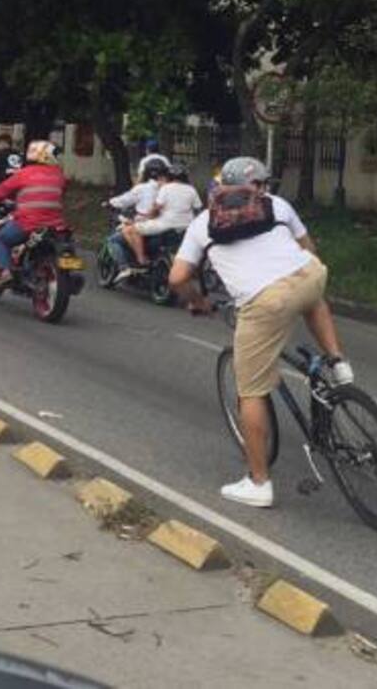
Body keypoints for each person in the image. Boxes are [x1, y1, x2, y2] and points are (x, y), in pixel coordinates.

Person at [167, 157, 354, 509]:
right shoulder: (278, 205)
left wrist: (198, 301)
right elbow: (308, 251)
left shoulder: (203, 224)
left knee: (250, 390)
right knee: (312, 294)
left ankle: (259, 483)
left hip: (264, 301)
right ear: (258, 186)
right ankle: (338, 363)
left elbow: (177, 279)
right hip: (309, 275)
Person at [0, 141, 68, 287]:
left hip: (28, 223)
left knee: (1, 239)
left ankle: (6, 272)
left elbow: (1, 190)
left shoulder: (24, 174)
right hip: (55, 225)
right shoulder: (59, 176)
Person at [117, 162, 203, 281]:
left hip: (164, 225)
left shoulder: (166, 188)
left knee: (130, 230)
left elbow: (156, 209)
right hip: (185, 226)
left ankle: (141, 259)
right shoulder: (191, 190)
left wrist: (146, 217)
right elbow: (198, 208)